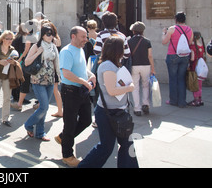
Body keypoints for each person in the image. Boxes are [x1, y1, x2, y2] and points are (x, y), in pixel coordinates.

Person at [78, 36, 139, 168]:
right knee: (106, 147)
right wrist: (130, 87)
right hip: (108, 113)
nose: (124, 50)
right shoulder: (107, 66)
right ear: (117, 50)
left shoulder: (114, 63)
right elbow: (112, 90)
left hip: (118, 111)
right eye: (122, 48)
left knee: (127, 145)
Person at [57, 26, 96, 167]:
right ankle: (67, 155)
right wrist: (83, 81)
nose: (86, 39)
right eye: (83, 37)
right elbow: (66, 73)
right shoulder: (66, 52)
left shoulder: (80, 49)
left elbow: (82, 67)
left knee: (86, 120)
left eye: (86, 36)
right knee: (70, 123)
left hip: (81, 90)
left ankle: (64, 138)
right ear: (73, 36)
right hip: (70, 92)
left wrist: (90, 75)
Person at [24, 24, 61, 140]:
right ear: (43, 35)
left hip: (50, 80)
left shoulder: (53, 46)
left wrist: (58, 78)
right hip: (38, 80)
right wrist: (38, 52)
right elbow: (26, 62)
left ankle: (40, 133)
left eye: (52, 34)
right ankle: (28, 125)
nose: (51, 37)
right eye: (48, 34)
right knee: (44, 106)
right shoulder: (37, 46)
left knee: (44, 107)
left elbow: (56, 63)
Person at [162, 11, 193, 108]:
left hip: (173, 55)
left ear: (176, 19)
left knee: (173, 78)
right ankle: (182, 101)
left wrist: (164, 33)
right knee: (181, 78)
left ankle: (173, 100)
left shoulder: (172, 29)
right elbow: (190, 42)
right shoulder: (189, 29)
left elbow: (164, 42)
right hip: (184, 56)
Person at [128, 21, 155, 116]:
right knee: (146, 85)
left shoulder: (129, 41)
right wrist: (153, 68)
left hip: (134, 65)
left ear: (133, 31)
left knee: (135, 87)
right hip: (146, 65)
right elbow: (150, 55)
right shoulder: (147, 41)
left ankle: (137, 108)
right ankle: (146, 104)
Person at [11, 21, 35, 110]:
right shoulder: (23, 37)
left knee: (17, 78)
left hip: (15, 58)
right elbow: (24, 51)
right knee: (21, 79)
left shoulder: (17, 36)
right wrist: (20, 60)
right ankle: (19, 98)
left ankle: (16, 97)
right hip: (20, 59)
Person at [188, 31, 206, 106]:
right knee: (200, 85)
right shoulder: (202, 45)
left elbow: (192, 58)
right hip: (201, 67)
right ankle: (200, 99)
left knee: (195, 85)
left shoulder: (193, 47)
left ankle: (196, 100)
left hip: (195, 67)